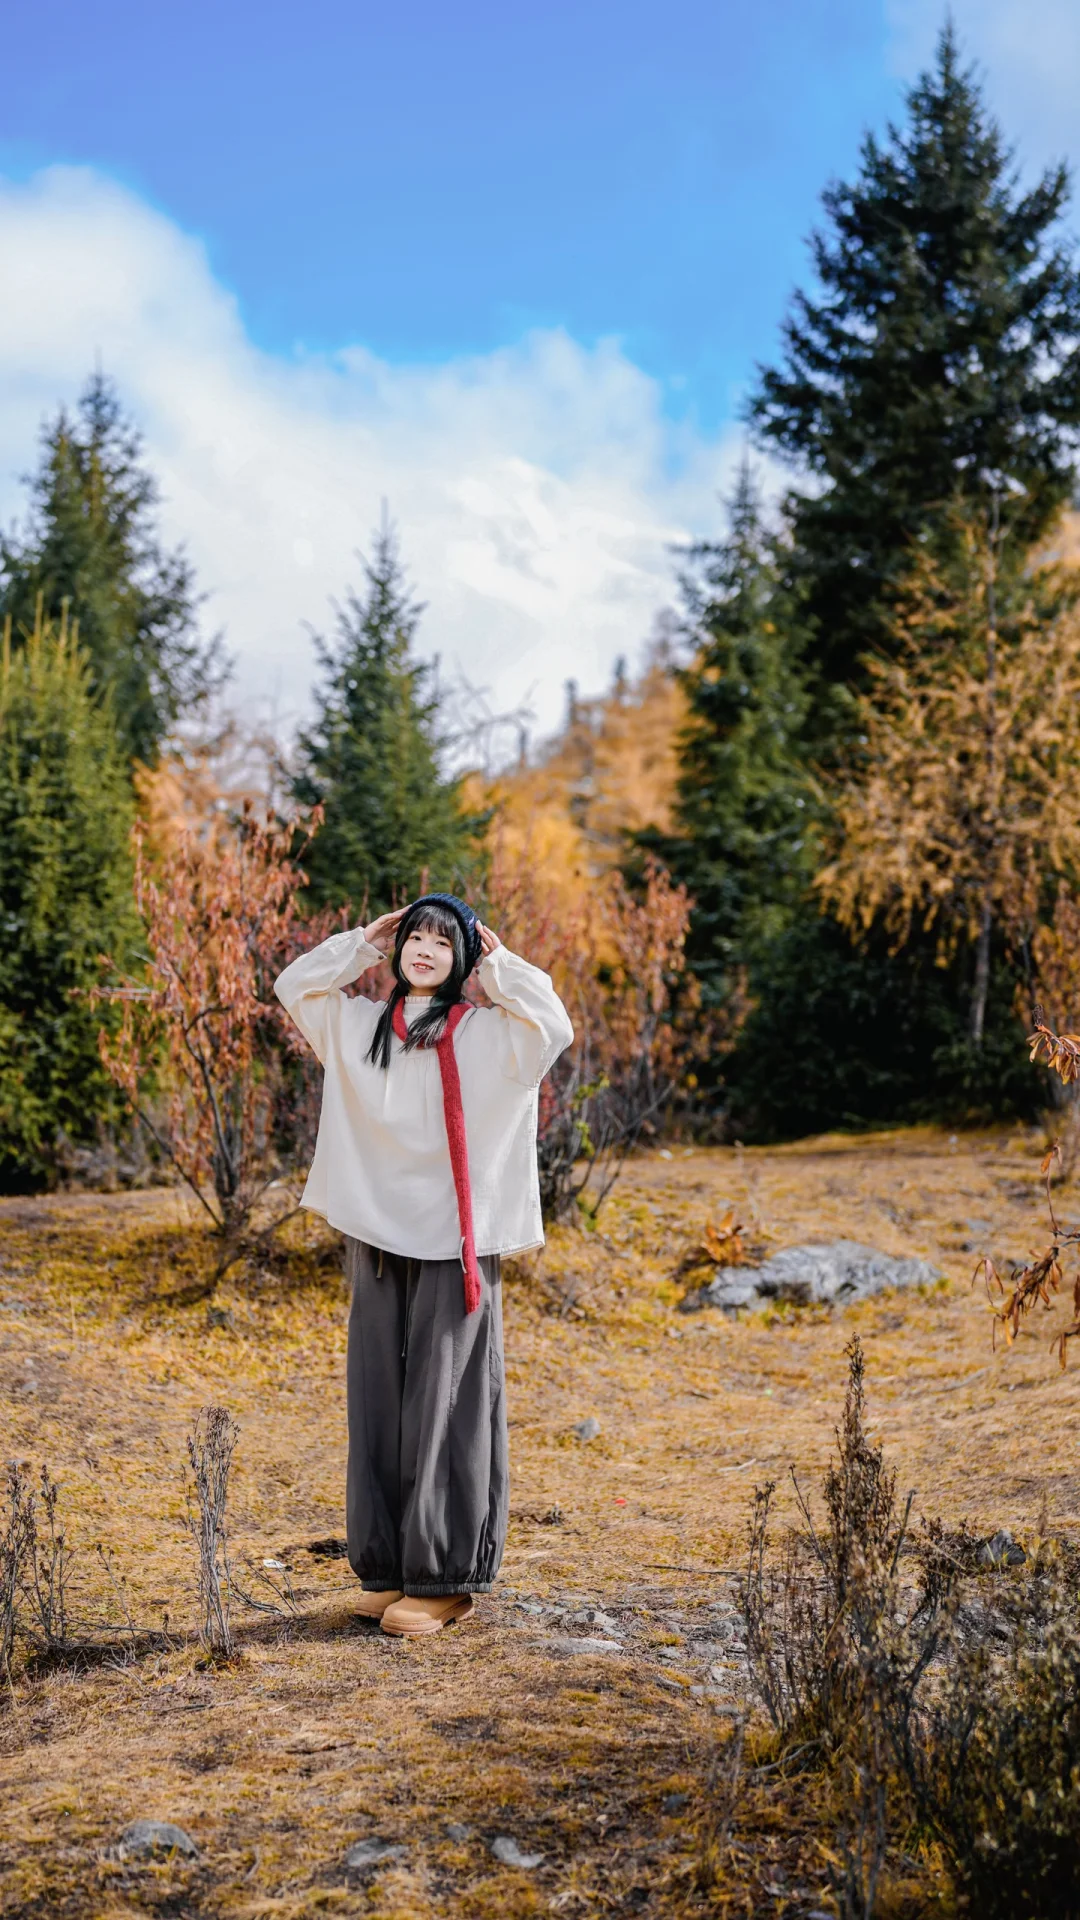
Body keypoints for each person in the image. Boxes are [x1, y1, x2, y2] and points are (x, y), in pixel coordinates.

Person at [274, 893, 573, 1637]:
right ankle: (385, 1567)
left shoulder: (487, 1033)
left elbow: (553, 1026)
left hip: (455, 1241)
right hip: (379, 1234)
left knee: (446, 1399)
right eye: (415, 937)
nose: (425, 950)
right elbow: (293, 985)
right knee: (377, 1394)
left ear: (462, 957)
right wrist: (361, 944)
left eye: (444, 941)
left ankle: (443, 1575)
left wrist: (500, 965)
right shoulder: (360, 1026)